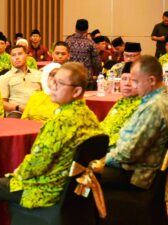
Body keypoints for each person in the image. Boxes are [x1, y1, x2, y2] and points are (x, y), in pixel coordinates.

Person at [0, 62, 103, 225]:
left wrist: (16, 174)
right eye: (53, 80)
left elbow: (38, 164)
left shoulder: (62, 121)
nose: (52, 86)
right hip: (70, 188)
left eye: (59, 84)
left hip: (46, 188)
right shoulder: (89, 115)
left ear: (77, 91)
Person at [105, 55, 168, 190]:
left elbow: (129, 153)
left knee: (83, 176)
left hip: (135, 175)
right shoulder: (154, 100)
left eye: (135, 81)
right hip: (131, 167)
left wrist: (103, 159)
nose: (131, 85)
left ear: (151, 80)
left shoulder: (154, 106)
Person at [100, 62, 141, 149]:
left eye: (132, 80)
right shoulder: (120, 102)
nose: (127, 83)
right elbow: (104, 125)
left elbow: (127, 139)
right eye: (124, 79)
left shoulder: (142, 106)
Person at [0, 45, 42, 117]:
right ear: (10, 58)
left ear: (26, 56)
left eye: (20, 54)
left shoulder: (39, 74)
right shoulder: (5, 77)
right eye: (13, 55)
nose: (17, 57)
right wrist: (18, 108)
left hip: (37, 110)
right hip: (17, 112)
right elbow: (2, 103)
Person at [66, 19, 101, 89]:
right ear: (87, 29)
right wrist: (98, 73)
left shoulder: (68, 42)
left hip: (70, 77)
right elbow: (96, 62)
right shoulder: (90, 43)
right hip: (86, 78)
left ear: (75, 28)